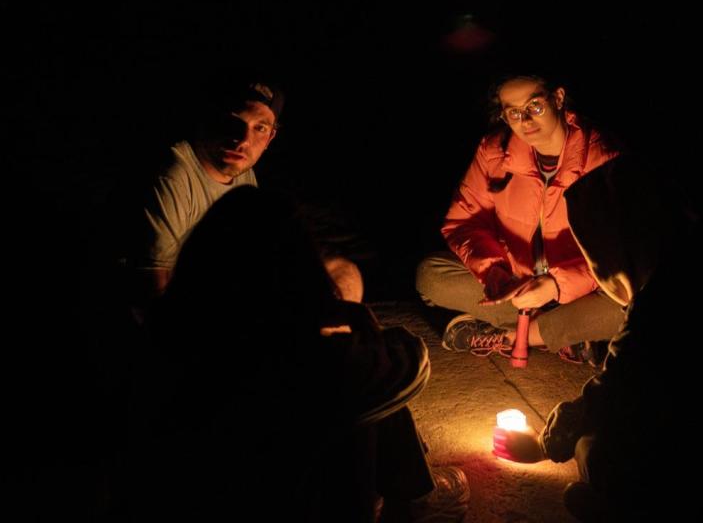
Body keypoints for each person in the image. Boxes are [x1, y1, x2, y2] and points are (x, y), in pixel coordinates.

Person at [124, 186, 468, 522]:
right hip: (283, 503)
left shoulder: (165, 336)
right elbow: (412, 359)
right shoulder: (308, 361)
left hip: (180, 500)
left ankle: (413, 491)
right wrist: (355, 317)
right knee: (368, 399)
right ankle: (416, 496)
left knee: (365, 386)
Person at [491, 156, 703, 521]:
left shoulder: (663, 302)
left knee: (595, 450)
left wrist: (544, 444)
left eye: (595, 252)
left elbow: (613, 391)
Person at [416, 73, 622, 364]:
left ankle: (521, 336)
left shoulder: (603, 157)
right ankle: (565, 334)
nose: (525, 121)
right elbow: (464, 222)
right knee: (431, 274)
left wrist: (557, 285)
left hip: (582, 292)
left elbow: (623, 252)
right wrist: (493, 270)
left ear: (558, 98)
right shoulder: (494, 152)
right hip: (520, 286)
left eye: (534, 106)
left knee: (628, 306)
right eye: (513, 113)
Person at [129, 79, 362, 315]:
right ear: (212, 118)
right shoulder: (174, 176)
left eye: (259, 128)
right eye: (233, 121)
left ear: (270, 137)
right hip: (189, 312)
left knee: (343, 273)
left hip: (234, 294)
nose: (242, 139)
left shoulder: (243, 173)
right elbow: (151, 291)